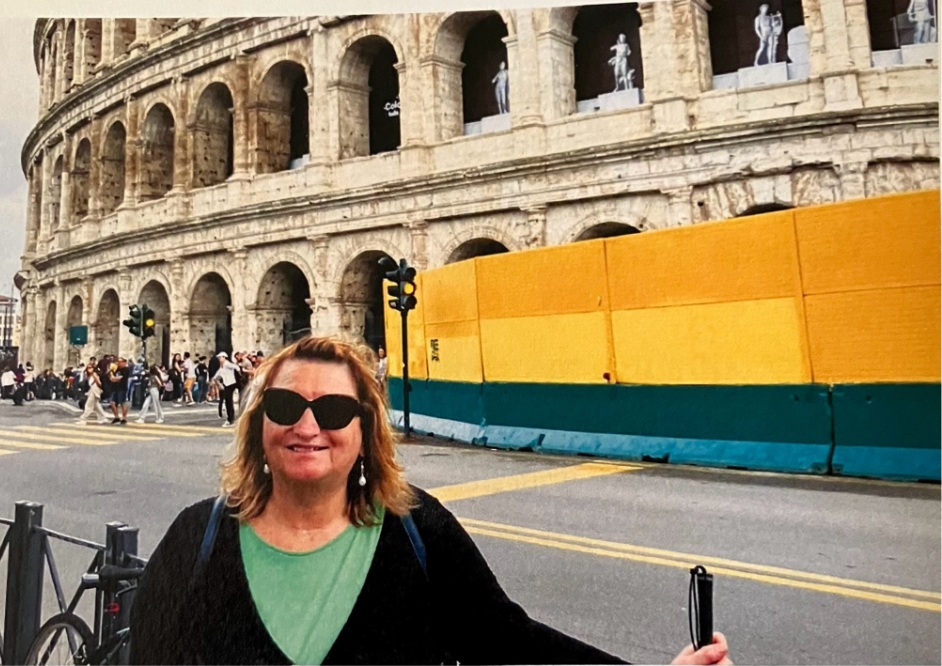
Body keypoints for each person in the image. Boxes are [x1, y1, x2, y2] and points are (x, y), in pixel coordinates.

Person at [130, 336, 732, 665]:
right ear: (259, 423)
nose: (307, 426)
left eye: (334, 410)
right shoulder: (197, 539)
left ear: (366, 431)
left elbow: (509, 644)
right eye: (286, 406)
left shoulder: (416, 530)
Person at [212, 351, 241, 428]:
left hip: (230, 384)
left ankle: (231, 419)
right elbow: (216, 377)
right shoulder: (221, 367)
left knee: (229, 401)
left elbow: (236, 367)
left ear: (224, 357)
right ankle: (230, 418)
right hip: (226, 384)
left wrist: (240, 374)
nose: (219, 359)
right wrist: (219, 384)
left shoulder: (227, 364)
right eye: (219, 358)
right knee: (227, 401)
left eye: (220, 357)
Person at [108, 358, 130, 424]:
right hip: (114, 388)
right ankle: (116, 417)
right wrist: (111, 372)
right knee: (112, 403)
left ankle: (124, 418)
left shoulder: (126, 369)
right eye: (118, 362)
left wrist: (115, 379)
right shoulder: (116, 369)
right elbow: (111, 377)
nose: (119, 363)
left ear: (124, 362)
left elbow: (121, 378)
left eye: (121, 362)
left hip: (122, 388)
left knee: (122, 402)